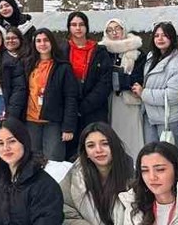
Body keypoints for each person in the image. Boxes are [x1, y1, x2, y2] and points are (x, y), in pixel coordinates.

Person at [23, 28, 80, 161]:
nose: (42, 44)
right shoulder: (28, 64)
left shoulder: (63, 67)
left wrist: (68, 127)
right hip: (31, 120)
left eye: (46, 40)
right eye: (38, 41)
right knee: (32, 160)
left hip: (53, 121)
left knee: (53, 159)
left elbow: (71, 98)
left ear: (52, 42)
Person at [66, 12, 114, 157]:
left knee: (95, 147)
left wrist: (85, 106)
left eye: (81, 25)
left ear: (87, 27)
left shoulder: (99, 51)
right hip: (70, 108)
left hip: (94, 108)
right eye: (74, 25)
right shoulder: (63, 50)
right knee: (72, 151)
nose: (78, 28)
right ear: (69, 28)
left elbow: (105, 82)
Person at [134, 23, 178, 149]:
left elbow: (173, 95)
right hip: (150, 117)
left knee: (173, 158)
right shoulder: (151, 57)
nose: (160, 39)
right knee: (153, 156)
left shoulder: (176, 63)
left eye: (164, 35)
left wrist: (144, 93)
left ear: (172, 38)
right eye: (156, 35)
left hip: (169, 120)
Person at [101, 19, 146, 161]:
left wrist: (120, 80)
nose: (114, 33)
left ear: (124, 29)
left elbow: (139, 77)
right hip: (109, 99)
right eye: (110, 30)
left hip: (129, 100)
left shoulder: (136, 52)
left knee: (132, 136)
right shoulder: (103, 51)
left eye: (118, 28)